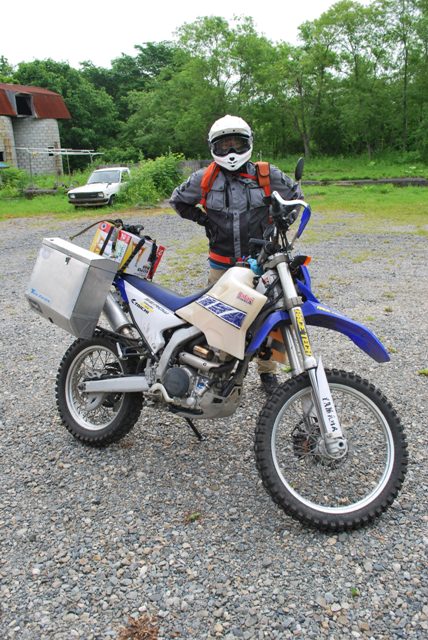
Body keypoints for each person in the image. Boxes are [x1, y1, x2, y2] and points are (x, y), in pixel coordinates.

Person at [169, 114, 303, 394]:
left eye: (236, 144)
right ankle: (218, 371)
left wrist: (282, 226)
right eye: (224, 145)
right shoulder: (204, 178)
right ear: (213, 147)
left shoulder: (266, 175)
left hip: (262, 263)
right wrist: (203, 220)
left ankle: (267, 372)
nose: (230, 151)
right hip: (222, 263)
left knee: (270, 317)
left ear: (248, 144)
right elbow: (178, 200)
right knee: (217, 319)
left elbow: (296, 197)